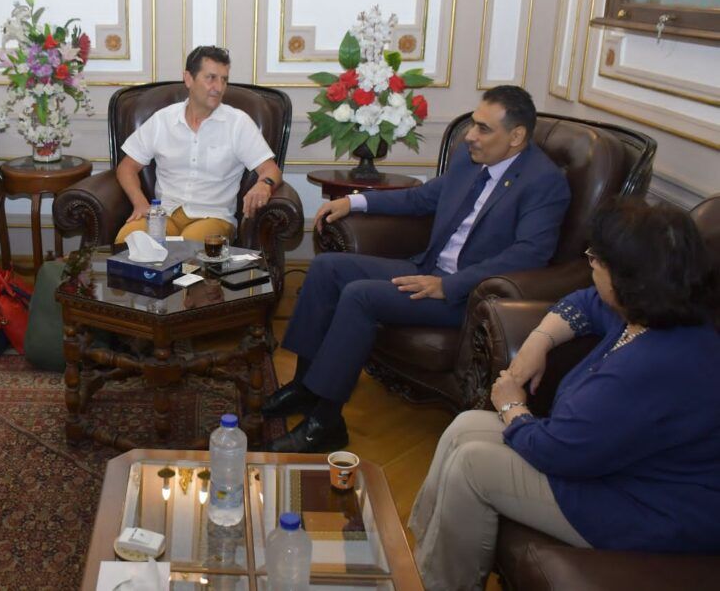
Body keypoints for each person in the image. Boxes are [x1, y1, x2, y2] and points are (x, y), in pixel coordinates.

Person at [409, 199, 720, 591]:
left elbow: (558, 452)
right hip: (619, 469)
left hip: (648, 506)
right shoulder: (655, 313)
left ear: (626, 279)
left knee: (473, 466)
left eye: (596, 259)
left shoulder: (652, 365)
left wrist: (511, 405)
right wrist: (538, 341)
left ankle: (441, 584)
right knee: (466, 425)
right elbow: (584, 302)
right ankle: (416, 561)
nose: (591, 265)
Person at [264, 85, 571, 453]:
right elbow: (422, 198)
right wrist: (354, 202)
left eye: (483, 128)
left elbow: (528, 255)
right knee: (326, 268)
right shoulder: (470, 159)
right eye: (473, 124)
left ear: (516, 136)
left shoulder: (543, 182)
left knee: (360, 296)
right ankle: (305, 387)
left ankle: (327, 421)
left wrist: (449, 285)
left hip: (469, 296)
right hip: (427, 268)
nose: (470, 136)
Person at [115, 46, 282, 243]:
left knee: (189, 252)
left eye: (224, 80)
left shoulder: (238, 123)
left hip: (212, 218)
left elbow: (271, 170)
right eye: (211, 78)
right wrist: (140, 203)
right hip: (165, 214)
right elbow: (126, 167)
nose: (219, 87)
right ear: (188, 78)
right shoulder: (163, 120)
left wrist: (264, 184)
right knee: (129, 242)